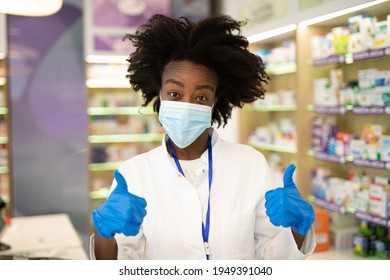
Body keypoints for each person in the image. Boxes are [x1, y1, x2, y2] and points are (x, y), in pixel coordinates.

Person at [90, 14, 316, 260]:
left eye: (200, 97)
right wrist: (105, 235)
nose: (186, 105)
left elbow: (271, 259)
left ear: (214, 102)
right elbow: (123, 265)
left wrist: (297, 229)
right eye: (175, 93)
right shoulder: (133, 173)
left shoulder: (250, 163)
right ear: (159, 94)